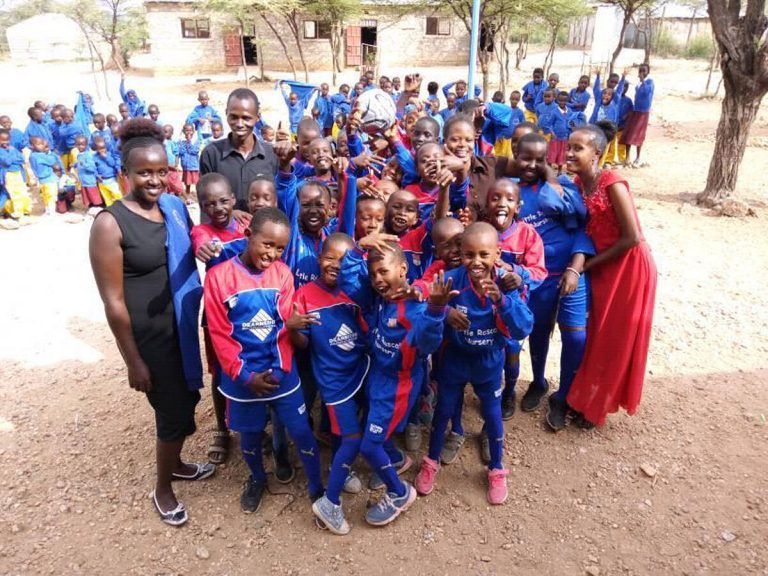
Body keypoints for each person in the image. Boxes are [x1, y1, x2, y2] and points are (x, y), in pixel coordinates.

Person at [89, 118, 211, 527]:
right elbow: (113, 302)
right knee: (172, 409)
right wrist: (132, 361)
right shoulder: (110, 224)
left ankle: (175, 463)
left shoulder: (174, 207)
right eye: (144, 172)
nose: (155, 180)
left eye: (162, 171)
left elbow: (195, 245)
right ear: (125, 174)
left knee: (189, 396)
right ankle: (163, 488)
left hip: (179, 326)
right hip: (149, 337)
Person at [203, 207, 324, 513]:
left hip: (280, 373)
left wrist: (280, 367)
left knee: (301, 430)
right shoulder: (218, 278)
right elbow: (220, 334)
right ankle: (257, 477)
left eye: (280, 248)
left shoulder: (282, 274)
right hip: (243, 377)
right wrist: (245, 376)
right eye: (266, 244)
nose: (272, 254)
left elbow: (284, 324)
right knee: (251, 435)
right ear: (247, 236)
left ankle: (316, 486)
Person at [414, 222, 533, 504]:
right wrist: (443, 310)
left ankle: (496, 469)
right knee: (443, 411)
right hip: (455, 359)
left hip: (489, 362)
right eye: (469, 254)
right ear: (461, 254)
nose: (476, 262)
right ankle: (431, 462)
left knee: (492, 416)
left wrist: (502, 301)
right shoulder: (451, 280)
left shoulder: (505, 282)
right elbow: (424, 315)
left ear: (497, 253)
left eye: (483, 254)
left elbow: (523, 327)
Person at [338, 243, 449, 526]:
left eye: (383, 271)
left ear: (403, 269)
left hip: (398, 385)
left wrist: (436, 310)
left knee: (369, 446)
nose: (377, 279)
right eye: (373, 273)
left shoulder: (415, 308)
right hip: (378, 376)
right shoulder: (380, 298)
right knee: (377, 430)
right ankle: (398, 460)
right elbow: (349, 280)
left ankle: (399, 493)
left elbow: (428, 343)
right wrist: (355, 249)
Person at [565, 122, 657, 426]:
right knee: (598, 334)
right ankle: (584, 398)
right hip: (606, 267)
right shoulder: (578, 183)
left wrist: (587, 266)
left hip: (628, 267)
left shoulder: (612, 183)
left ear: (596, 153)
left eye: (578, 148)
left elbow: (632, 237)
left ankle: (597, 409)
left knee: (615, 337)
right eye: (569, 146)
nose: (569, 153)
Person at [512, 132, 594, 430]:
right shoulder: (511, 191)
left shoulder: (564, 187)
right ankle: (538, 381)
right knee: (538, 331)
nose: (532, 165)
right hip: (538, 277)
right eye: (526, 158)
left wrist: (575, 267)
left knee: (575, 337)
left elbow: (584, 228)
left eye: (540, 160)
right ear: (514, 153)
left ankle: (565, 395)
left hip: (571, 272)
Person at [291, 233, 370, 535]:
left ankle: (343, 469)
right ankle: (329, 503)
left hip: (360, 371)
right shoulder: (306, 294)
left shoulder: (356, 291)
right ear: (319, 257)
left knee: (343, 434)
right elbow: (302, 344)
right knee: (352, 437)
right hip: (333, 381)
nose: (335, 264)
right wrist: (294, 327)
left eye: (343, 259)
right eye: (329, 257)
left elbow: (366, 328)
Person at [200, 88, 278, 210]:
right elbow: (206, 203)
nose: (240, 124)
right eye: (234, 117)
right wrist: (230, 215)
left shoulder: (272, 154)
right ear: (226, 113)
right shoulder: (211, 154)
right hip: (224, 227)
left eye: (246, 118)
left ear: (257, 117)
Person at [621, 64, 655, 167]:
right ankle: (627, 157)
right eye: (640, 71)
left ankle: (638, 157)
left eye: (644, 71)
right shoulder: (638, 85)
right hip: (636, 111)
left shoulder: (649, 83)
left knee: (639, 135)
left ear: (647, 72)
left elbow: (646, 92)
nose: (641, 73)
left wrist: (643, 80)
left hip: (643, 113)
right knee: (629, 133)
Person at [0, 128, 31, 220]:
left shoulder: (12, 148)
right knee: (14, 193)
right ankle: (17, 213)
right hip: (9, 175)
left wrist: (12, 157)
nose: (5, 143)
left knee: (23, 192)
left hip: (18, 173)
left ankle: (26, 210)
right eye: (2, 141)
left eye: (7, 140)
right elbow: (6, 162)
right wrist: (13, 155)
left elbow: (21, 159)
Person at [28, 136, 62, 215]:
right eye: (39, 144)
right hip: (49, 178)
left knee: (45, 196)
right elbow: (55, 164)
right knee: (51, 196)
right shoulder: (42, 156)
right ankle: (52, 212)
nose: (42, 146)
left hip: (41, 179)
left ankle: (47, 211)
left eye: (42, 144)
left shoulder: (32, 156)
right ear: (32, 146)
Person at [72, 135, 103, 212]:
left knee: (93, 195)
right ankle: (91, 209)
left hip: (90, 180)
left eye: (82, 144)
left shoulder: (88, 155)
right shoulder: (79, 155)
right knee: (87, 196)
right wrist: (75, 164)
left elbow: (92, 168)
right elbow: (80, 163)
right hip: (83, 181)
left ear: (86, 145)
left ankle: (97, 209)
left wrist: (84, 165)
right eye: (78, 144)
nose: (80, 147)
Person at [92, 136, 122, 207]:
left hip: (111, 180)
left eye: (104, 148)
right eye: (100, 149)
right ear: (96, 149)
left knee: (117, 194)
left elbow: (113, 164)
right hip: (102, 182)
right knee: (107, 197)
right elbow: (93, 168)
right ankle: (110, 209)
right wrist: (97, 175)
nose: (102, 150)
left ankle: (120, 207)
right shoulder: (94, 157)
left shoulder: (109, 154)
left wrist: (106, 157)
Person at [178, 124, 200, 204]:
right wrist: (186, 142)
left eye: (190, 130)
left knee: (197, 182)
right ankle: (187, 197)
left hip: (194, 166)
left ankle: (199, 196)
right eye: (187, 130)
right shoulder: (181, 141)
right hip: (186, 166)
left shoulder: (196, 141)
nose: (188, 132)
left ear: (193, 131)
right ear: (184, 131)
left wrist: (189, 142)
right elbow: (181, 152)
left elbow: (194, 151)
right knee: (187, 183)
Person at [162, 125, 183, 197]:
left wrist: (176, 164)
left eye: (166, 132)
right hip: (164, 166)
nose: (164, 134)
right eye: (163, 132)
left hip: (172, 167)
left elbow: (176, 154)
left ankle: (180, 198)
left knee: (176, 183)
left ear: (171, 133)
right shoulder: (161, 143)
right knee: (166, 184)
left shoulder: (173, 143)